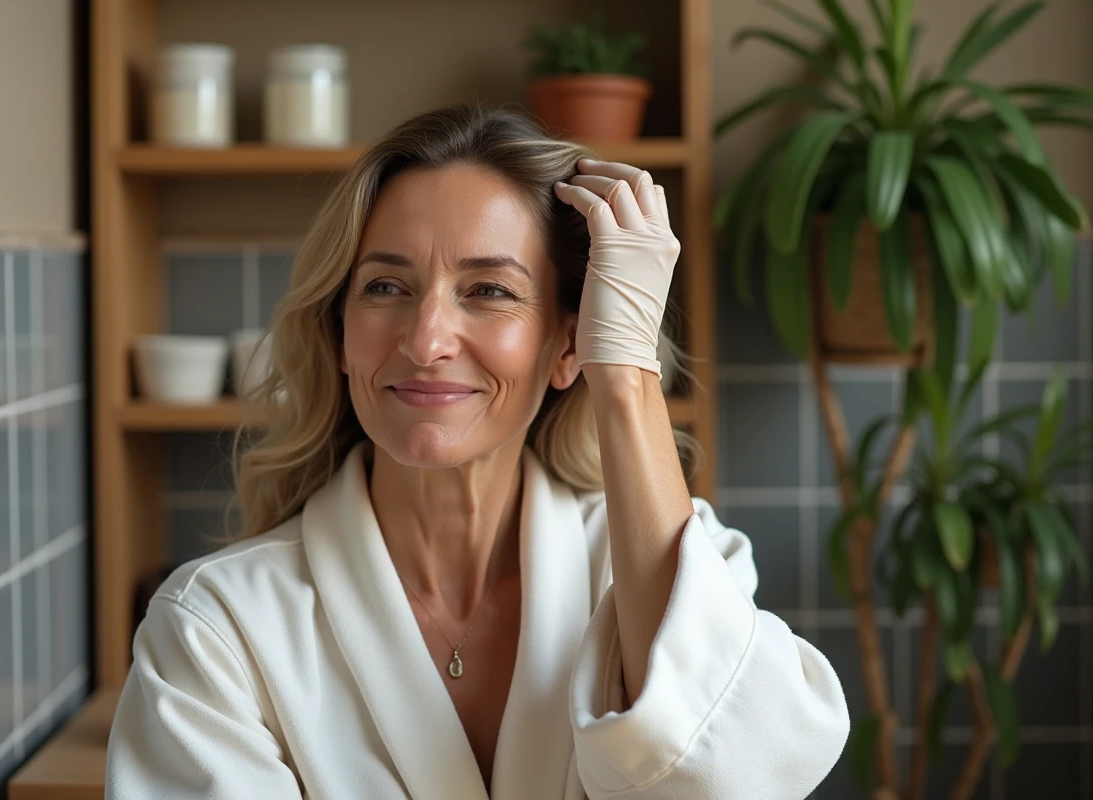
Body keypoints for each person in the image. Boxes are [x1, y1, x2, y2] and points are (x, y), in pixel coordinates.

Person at [106, 105, 849, 799]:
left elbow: (738, 776)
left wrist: (624, 374)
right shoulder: (218, 628)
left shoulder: (672, 572)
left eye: (489, 290)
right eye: (386, 285)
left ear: (567, 345)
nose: (426, 340)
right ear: (338, 334)